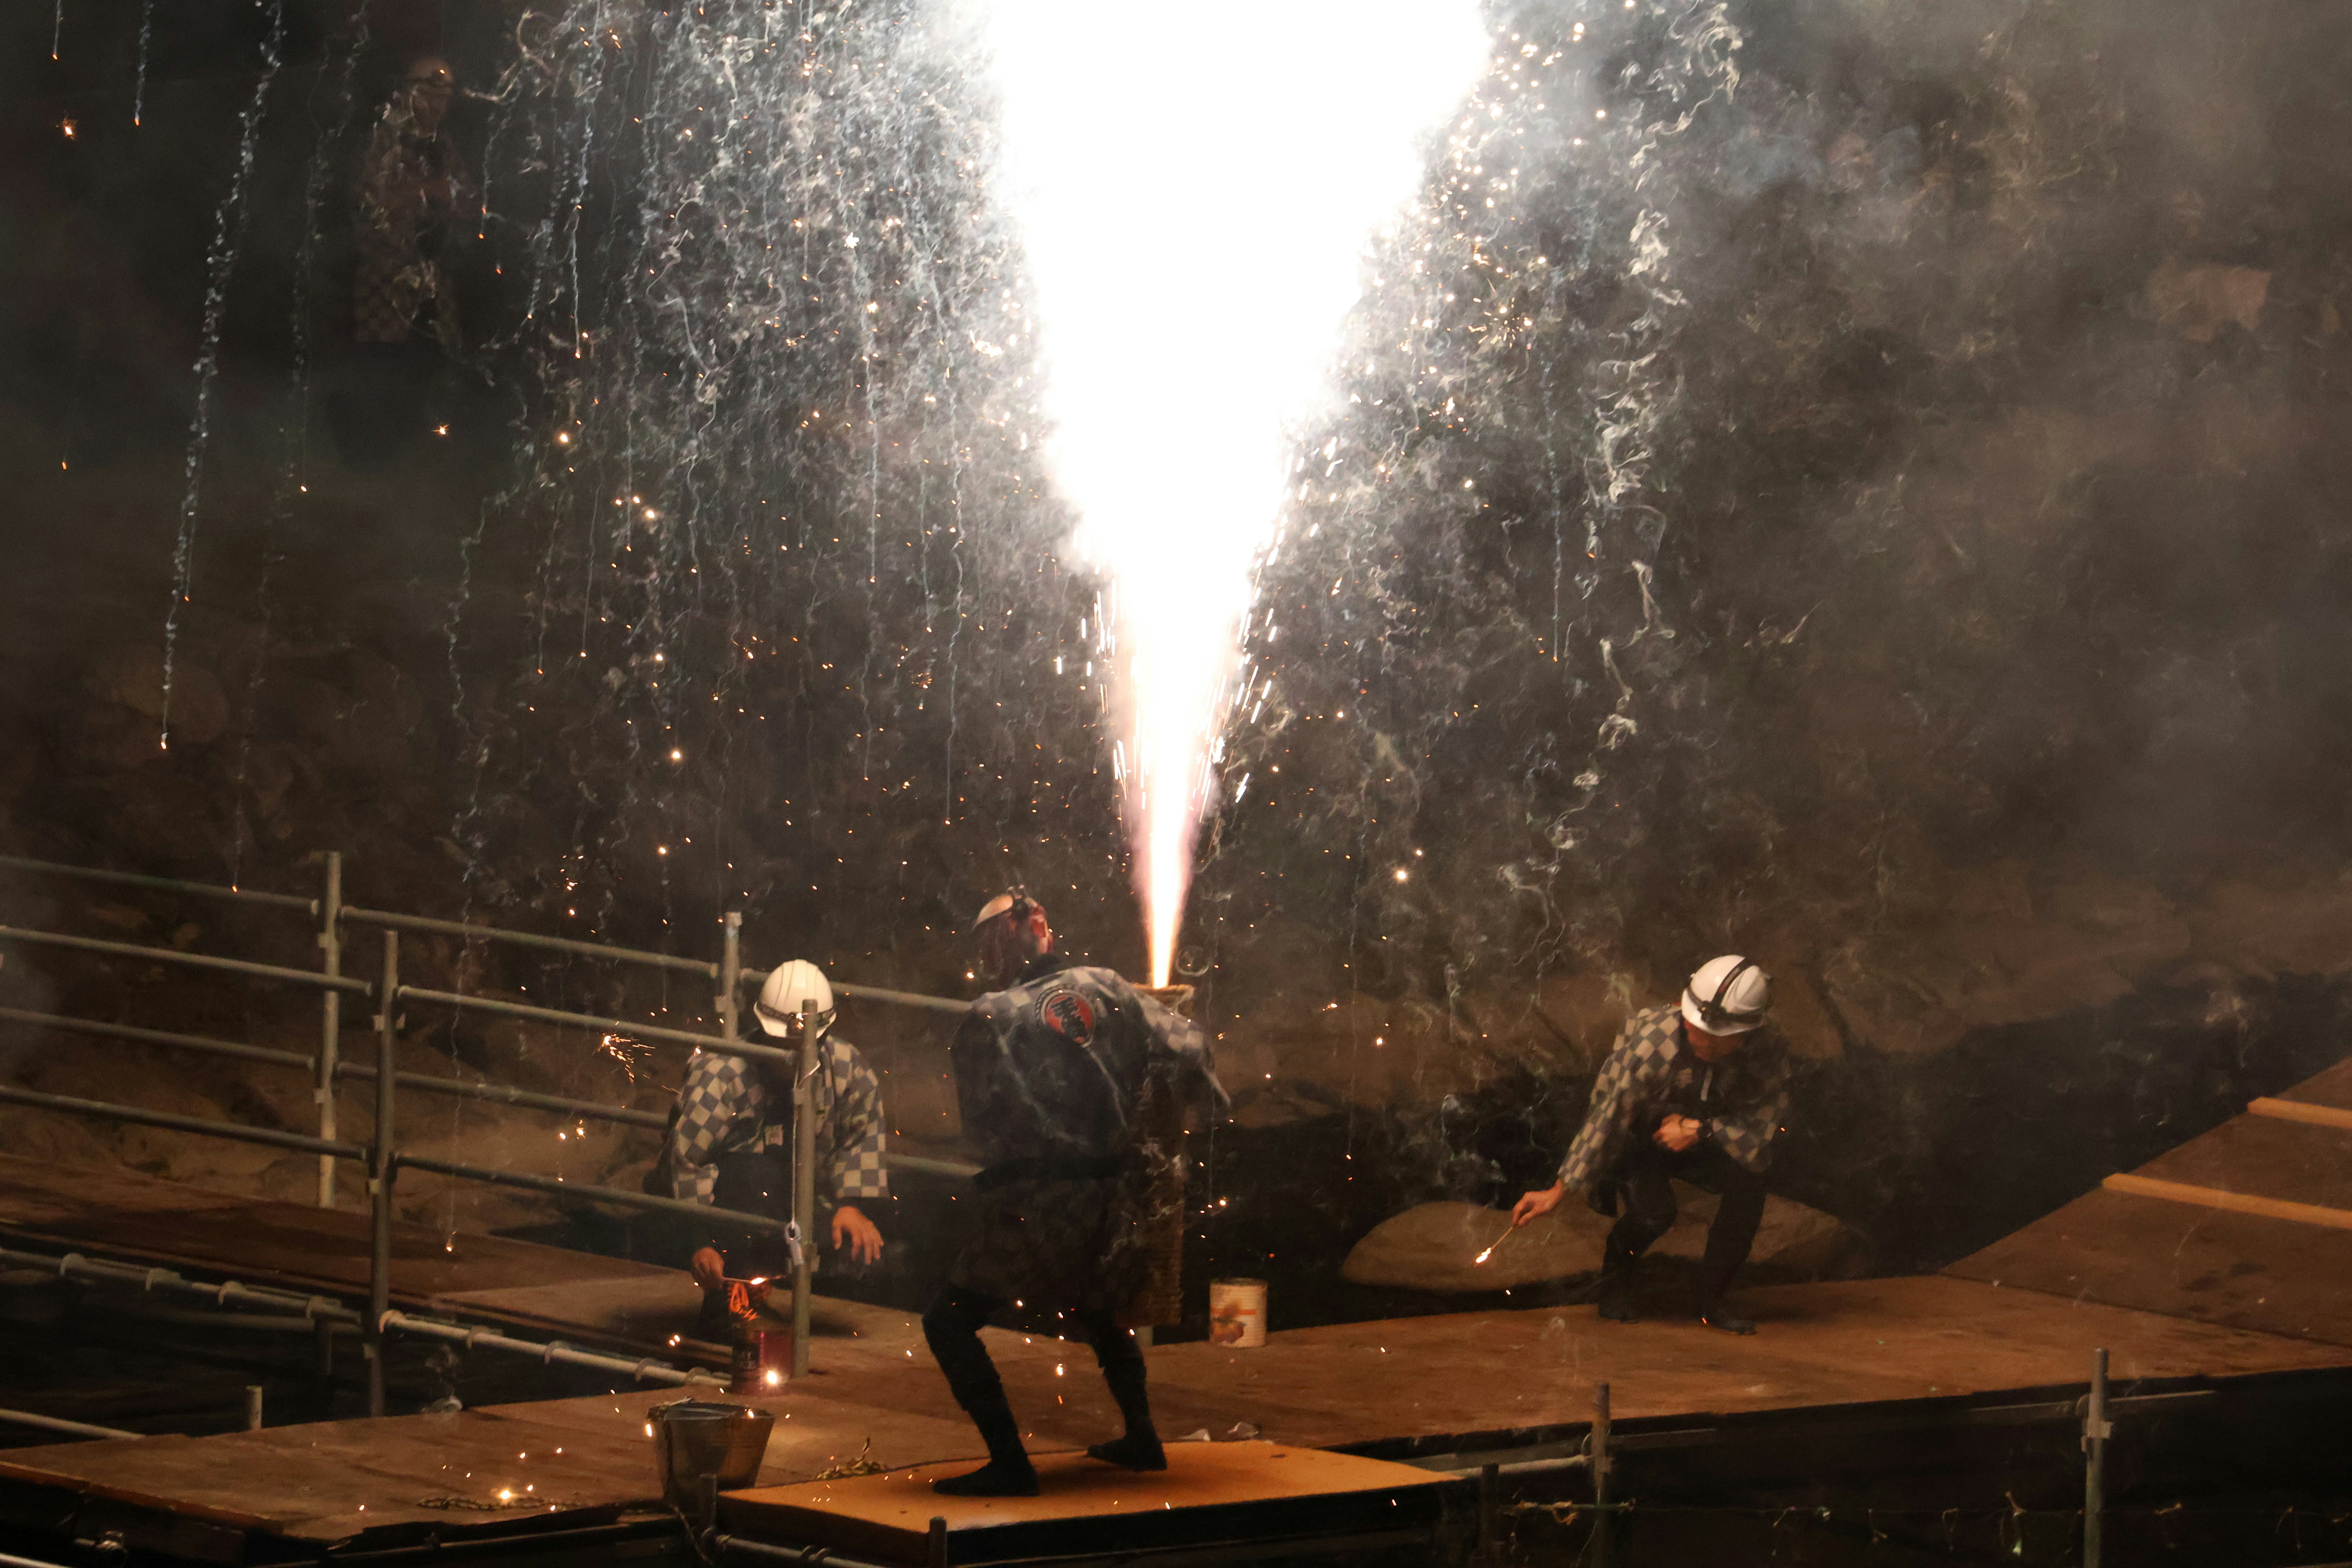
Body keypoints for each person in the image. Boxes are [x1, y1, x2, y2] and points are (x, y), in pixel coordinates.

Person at [922, 890, 1223, 1497]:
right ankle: (1142, 1437)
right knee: (1099, 1307)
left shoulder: (991, 1015)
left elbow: (981, 1121)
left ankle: (1010, 1462)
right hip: (1114, 1193)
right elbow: (1190, 1050)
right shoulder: (1109, 986)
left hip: (1043, 1194)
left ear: (999, 943)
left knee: (948, 1323)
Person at [1510, 955, 1790, 1336]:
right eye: (1697, 1029)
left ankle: (1711, 1299)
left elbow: (1764, 1122)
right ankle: (1617, 1278)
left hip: (1712, 1134)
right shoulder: (1650, 1046)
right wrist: (1561, 1188)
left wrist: (1701, 1129)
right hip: (1642, 1138)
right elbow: (1608, 1116)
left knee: (1749, 1184)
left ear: (1747, 1033)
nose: (1705, 1042)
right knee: (1655, 1213)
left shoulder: (1767, 1047)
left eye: (1720, 1036)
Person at [651, 959, 887, 1309]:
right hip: (719, 1207)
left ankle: (797, 1297)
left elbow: (862, 1138)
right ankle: (733, 1297)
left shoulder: (847, 1068)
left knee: (868, 1239)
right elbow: (685, 1164)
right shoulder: (721, 1076)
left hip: (796, 1199)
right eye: (782, 1044)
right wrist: (700, 1243)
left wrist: (851, 1208)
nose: (791, 1055)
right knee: (756, 1178)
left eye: (801, 1045)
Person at [354, 56, 473, 351]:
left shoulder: (444, 147)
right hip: (385, 287)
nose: (436, 106)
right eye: (428, 96)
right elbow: (366, 203)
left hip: (435, 285)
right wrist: (424, 189)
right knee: (384, 372)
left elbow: (471, 202)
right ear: (409, 94)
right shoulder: (382, 141)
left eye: (443, 99)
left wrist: (458, 200)